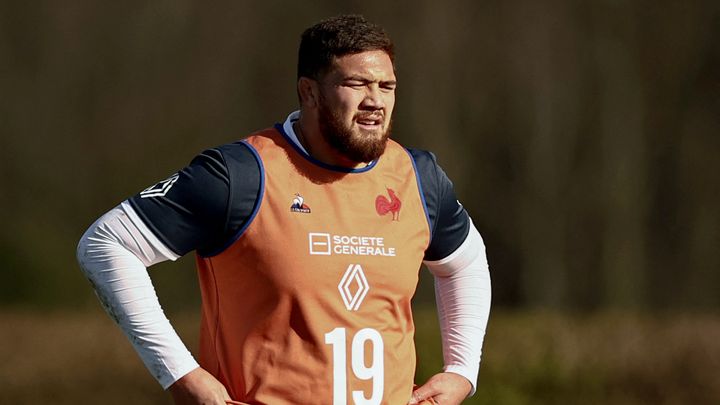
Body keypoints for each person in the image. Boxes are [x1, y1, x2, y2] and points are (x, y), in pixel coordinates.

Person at [77, 14, 491, 405]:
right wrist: (180, 373)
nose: (375, 101)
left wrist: (462, 371)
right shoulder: (239, 174)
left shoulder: (419, 177)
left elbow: (466, 261)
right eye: (357, 84)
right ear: (310, 92)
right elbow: (106, 243)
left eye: (386, 86)